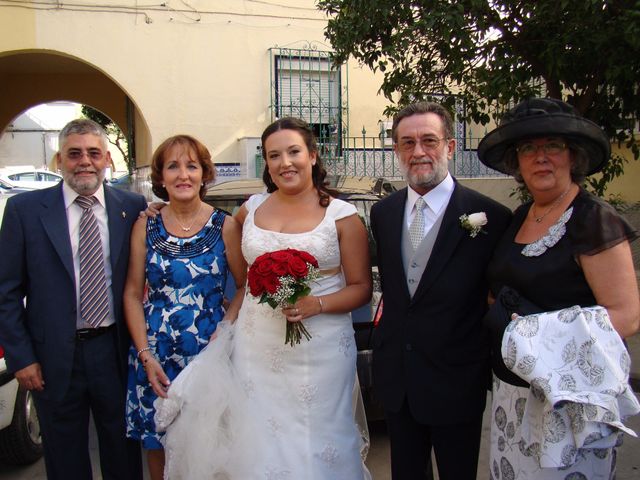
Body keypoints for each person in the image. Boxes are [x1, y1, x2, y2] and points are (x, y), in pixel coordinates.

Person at [157, 117, 372, 479]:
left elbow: (361, 287)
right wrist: (160, 212)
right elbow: (210, 229)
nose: (284, 162)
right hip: (256, 346)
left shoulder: (341, 216)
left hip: (319, 348)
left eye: (293, 152)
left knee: (316, 440)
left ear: (313, 156)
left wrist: (316, 304)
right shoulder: (250, 209)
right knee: (259, 439)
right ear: (267, 164)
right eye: (274, 155)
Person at [477, 97, 640, 478]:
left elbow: (626, 316)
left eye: (553, 146)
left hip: (568, 400)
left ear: (573, 156)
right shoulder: (520, 216)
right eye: (528, 149)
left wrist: (533, 332)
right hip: (511, 393)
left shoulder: (592, 219)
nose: (541, 157)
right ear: (516, 162)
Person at [370, 101, 512, 479]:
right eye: (407, 142)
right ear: (397, 150)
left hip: (457, 379)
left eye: (429, 140)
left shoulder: (491, 217)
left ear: (449, 146)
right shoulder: (382, 214)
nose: (418, 152)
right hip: (398, 379)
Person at [0, 118, 145, 480]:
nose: (85, 161)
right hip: (51, 358)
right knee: (64, 458)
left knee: (123, 452)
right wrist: (22, 357)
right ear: (59, 160)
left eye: (94, 153)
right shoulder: (25, 211)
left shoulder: (132, 207)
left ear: (107, 159)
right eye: (74, 153)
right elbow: (6, 291)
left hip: (113, 351)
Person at [123, 135, 246, 480]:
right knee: (159, 446)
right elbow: (132, 294)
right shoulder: (145, 225)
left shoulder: (226, 226)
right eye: (172, 166)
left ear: (204, 174)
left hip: (208, 359)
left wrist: (224, 330)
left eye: (192, 166)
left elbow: (244, 285)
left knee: (210, 450)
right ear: (160, 177)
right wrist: (146, 355)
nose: (183, 174)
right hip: (155, 361)